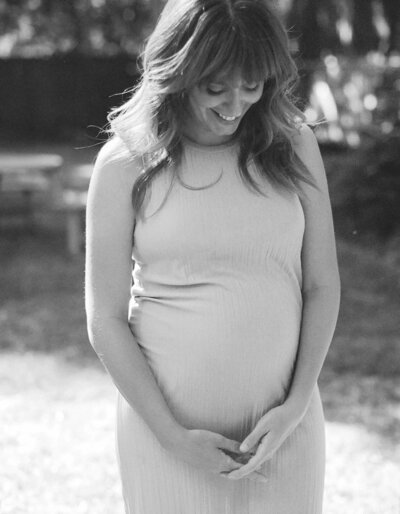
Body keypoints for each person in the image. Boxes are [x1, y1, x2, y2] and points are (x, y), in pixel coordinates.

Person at [84, 0, 341, 512]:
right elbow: (105, 319)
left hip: (284, 431)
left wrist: (294, 408)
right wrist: (173, 437)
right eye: (215, 86)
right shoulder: (123, 163)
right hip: (167, 439)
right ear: (177, 73)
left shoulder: (294, 145)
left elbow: (322, 285)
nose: (236, 103)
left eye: (253, 84)